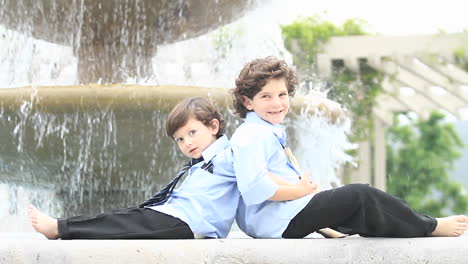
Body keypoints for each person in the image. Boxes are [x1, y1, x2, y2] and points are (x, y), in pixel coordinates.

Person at [230, 56, 468, 239]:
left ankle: (411, 225)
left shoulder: (261, 131)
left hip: (277, 217)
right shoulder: (252, 134)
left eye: (282, 94)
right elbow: (254, 188)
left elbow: (263, 176)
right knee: (359, 195)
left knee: (352, 208)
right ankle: (430, 226)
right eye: (266, 97)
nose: (277, 103)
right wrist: (300, 191)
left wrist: (300, 188)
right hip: (275, 221)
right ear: (247, 102)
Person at [29, 97, 239, 239]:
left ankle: (58, 228)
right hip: (176, 218)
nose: (187, 143)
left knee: (122, 223)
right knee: (125, 217)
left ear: (213, 126)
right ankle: (61, 226)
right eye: (180, 139)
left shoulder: (228, 156)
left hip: (187, 223)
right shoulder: (200, 162)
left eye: (192, 132)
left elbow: (257, 176)